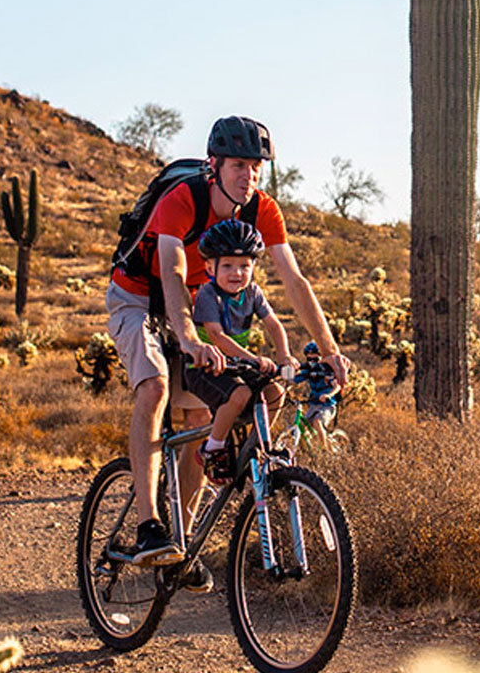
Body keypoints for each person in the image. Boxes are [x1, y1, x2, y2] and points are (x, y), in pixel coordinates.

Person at [104, 115, 350, 574]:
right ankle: (148, 527)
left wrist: (330, 349)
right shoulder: (183, 200)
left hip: (195, 304)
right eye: (239, 165)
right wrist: (190, 338)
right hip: (137, 295)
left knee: (199, 415)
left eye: (256, 167)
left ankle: (180, 544)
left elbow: (293, 279)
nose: (248, 176)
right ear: (214, 164)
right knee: (155, 390)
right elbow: (173, 273)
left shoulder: (261, 209)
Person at [182, 218, 294, 483]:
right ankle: (212, 448)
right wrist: (253, 359)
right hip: (203, 367)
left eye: (245, 266)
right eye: (228, 266)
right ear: (210, 267)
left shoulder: (253, 292)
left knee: (275, 392)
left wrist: (285, 355)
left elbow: (274, 325)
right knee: (241, 393)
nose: (237, 273)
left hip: (236, 365)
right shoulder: (209, 295)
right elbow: (215, 336)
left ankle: (255, 445)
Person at [295, 340, 341, 433]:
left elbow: (337, 386)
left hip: (327, 405)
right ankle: (304, 447)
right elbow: (294, 380)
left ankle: (324, 447)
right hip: (314, 404)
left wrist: (328, 395)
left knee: (317, 422)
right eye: (309, 360)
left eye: (315, 360)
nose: (312, 363)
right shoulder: (308, 371)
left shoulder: (327, 371)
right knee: (301, 425)